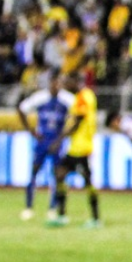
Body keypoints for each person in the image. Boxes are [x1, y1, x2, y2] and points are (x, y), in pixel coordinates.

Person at [16, 73, 75, 221]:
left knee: (57, 175)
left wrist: (63, 136)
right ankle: (29, 207)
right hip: (42, 140)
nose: (55, 86)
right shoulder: (40, 97)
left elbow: (79, 115)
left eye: (58, 83)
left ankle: (53, 208)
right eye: (53, 83)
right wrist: (31, 131)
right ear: (49, 83)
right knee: (34, 172)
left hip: (57, 140)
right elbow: (21, 109)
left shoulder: (67, 99)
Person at [51, 74, 100, 228]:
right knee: (60, 174)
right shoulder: (85, 96)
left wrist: (60, 138)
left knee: (88, 181)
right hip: (75, 147)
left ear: (75, 82)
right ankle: (62, 214)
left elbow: (78, 120)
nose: (65, 85)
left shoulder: (83, 97)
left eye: (67, 82)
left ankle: (95, 218)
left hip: (82, 148)